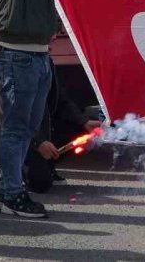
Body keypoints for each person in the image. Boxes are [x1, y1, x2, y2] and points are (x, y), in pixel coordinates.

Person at [0, 0, 104, 217]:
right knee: (15, 129)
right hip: (17, 58)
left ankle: (7, 189)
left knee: (25, 130)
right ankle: (11, 193)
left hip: (38, 56)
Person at [22, 63, 103, 193]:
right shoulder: (21, 67)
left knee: (82, 128)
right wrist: (38, 141)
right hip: (27, 133)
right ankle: (21, 171)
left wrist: (84, 122)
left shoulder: (46, 63)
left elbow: (61, 100)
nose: (53, 41)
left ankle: (48, 165)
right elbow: (18, 115)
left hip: (42, 126)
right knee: (40, 183)